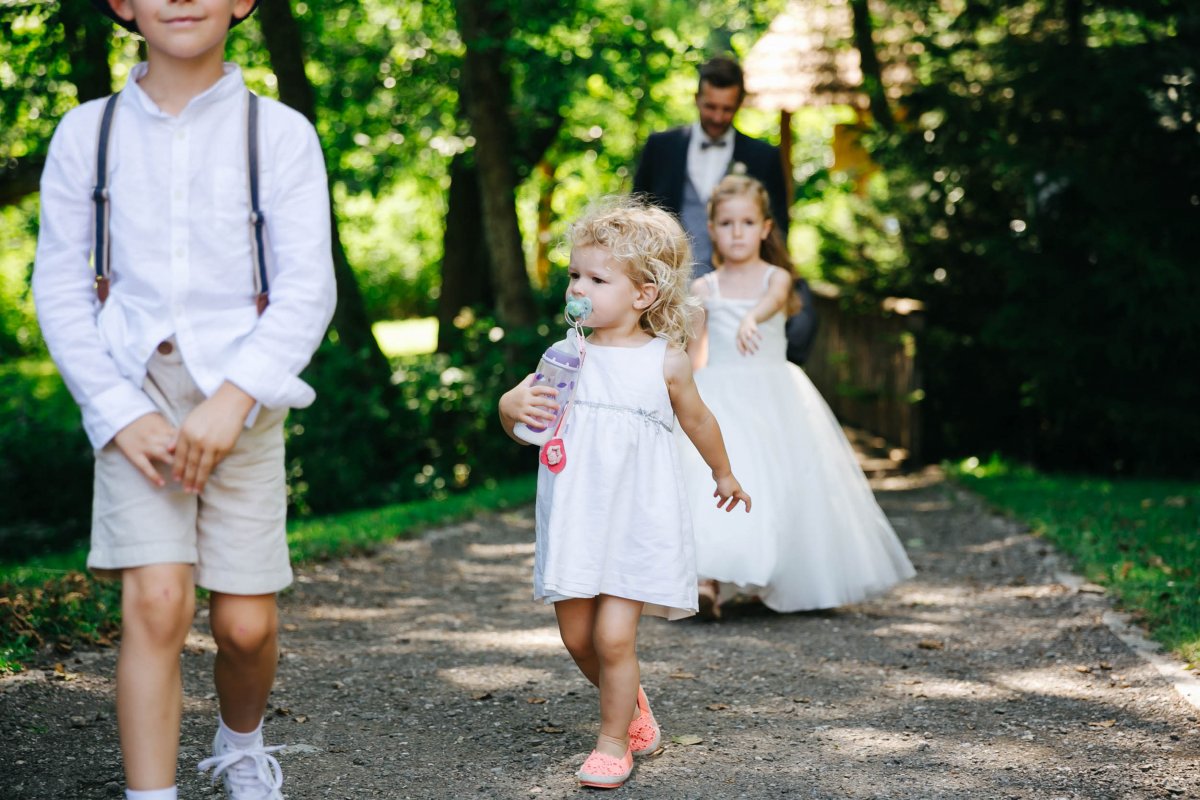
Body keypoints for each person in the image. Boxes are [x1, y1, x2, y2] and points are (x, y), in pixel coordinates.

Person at [32, 1, 336, 798]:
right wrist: (118, 411)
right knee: (158, 603)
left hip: (245, 395)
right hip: (133, 395)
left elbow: (307, 288)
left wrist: (233, 399)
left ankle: (241, 742)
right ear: (122, 4)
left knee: (244, 625)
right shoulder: (85, 133)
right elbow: (61, 289)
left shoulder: (279, 135)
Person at [498, 199, 750, 789]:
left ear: (643, 295)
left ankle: (614, 741)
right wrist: (508, 409)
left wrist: (724, 472)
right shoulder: (565, 355)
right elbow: (527, 420)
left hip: (635, 517)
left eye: (596, 278)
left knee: (614, 637)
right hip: (577, 518)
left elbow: (700, 421)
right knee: (578, 638)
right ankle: (631, 701)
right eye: (574, 275)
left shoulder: (664, 361)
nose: (578, 288)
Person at [678, 175, 914, 618]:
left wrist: (751, 318)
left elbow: (773, 301)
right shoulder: (704, 288)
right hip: (722, 391)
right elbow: (694, 351)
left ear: (766, 228)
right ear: (712, 229)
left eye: (747, 222)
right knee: (713, 479)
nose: (737, 232)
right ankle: (706, 578)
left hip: (775, 393)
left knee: (783, 481)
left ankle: (777, 573)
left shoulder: (777, 278)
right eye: (727, 223)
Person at [632, 55, 818, 364]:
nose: (718, 117)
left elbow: (779, 227)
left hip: (737, 298)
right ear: (697, 99)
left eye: (727, 109)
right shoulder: (661, 147)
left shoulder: (763, 157)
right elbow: (638, 221)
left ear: (740, 104)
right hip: (666, 294)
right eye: (710, 107)